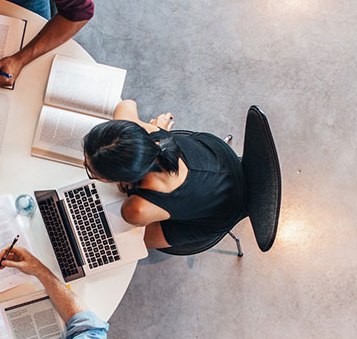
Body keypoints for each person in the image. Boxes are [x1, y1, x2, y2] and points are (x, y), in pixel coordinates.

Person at [82, 100, 248, 249]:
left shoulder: (135, 209)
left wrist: (129, 186)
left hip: (223, 211)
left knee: (128, 243)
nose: (84, 164)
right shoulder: (150, 134)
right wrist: (157, 129)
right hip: (220, 158)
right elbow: (126, 105)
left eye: (92, 172)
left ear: (120, 178)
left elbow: (135, 213)